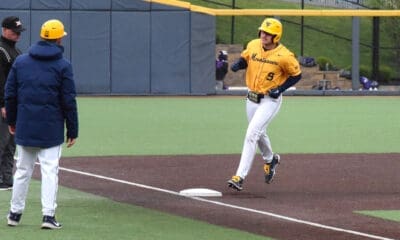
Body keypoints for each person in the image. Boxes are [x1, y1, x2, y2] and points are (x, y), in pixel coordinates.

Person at [5, 19, 78, 229]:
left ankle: (14, 214)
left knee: (22, 171)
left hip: (26, 124)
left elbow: (10, 94)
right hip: (51, 128)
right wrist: (72, 129)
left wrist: (12, 120)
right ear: (57, 38)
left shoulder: (21, 61)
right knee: (49, 172)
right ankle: (48, 216)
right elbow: (68, 100)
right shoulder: (63, 65)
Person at [227, 18, 302, 191]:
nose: (264, 35)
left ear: (276, 36)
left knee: (251, 133)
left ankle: (239, 176)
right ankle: (270, 159)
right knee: (259, 133)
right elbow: (246, 58)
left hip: (270, 100)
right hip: (252, 97)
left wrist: (281, 88)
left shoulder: (285, 56)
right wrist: (239, 64)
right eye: (262, 31)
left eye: (268, 33)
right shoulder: (254, 45)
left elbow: (296, 75)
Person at [0, 16, 25, 191]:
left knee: (11, 143)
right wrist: (2, 104)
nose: (17, 35)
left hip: (15, 104)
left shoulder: (17, 52)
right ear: (4, 30)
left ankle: (7, 179)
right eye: (14, 31)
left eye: (19, 32)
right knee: (2, 141)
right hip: (4, 105)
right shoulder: (2, 51)